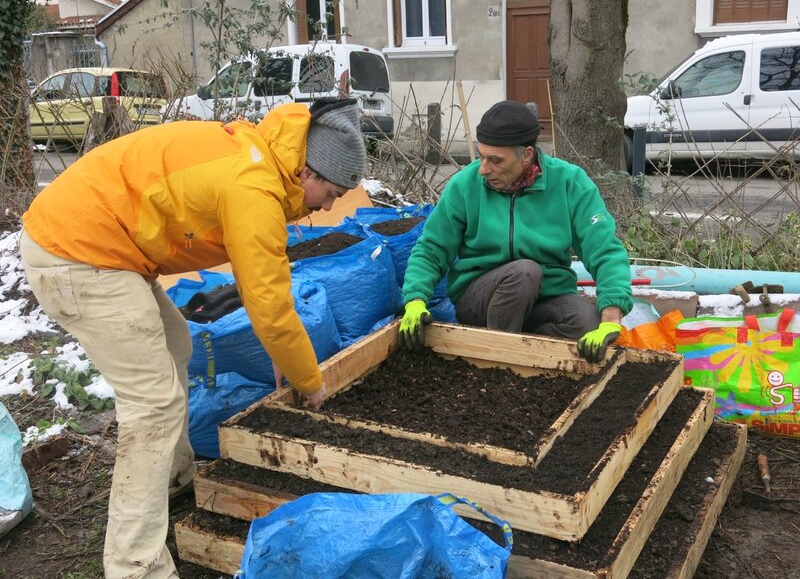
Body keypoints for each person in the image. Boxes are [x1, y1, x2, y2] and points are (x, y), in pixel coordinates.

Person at [19, 98, 366, 578]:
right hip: (75, 252)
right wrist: (311, 381)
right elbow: (268, 300)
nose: (329, 206)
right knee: (153, 403)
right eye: (330, 192)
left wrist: (282, 349)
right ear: (307, 171)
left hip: (99, 243)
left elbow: (259, 281)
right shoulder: (254, 186)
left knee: (175, 343)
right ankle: (134, 565)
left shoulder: (260, 157)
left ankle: (172, 478)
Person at [399, 100, 633, 363]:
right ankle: (496, 363)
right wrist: (415, 300)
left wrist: (611, 318)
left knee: (587, 323)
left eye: (495, 160)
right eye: (481, 156)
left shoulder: (569, 183)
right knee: (524, 272)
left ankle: (527, 353)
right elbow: (432, 248)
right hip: (480, 298)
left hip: (544, 297)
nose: (484, 169)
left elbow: (604, 248)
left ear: (527, 154)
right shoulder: (465, 186)